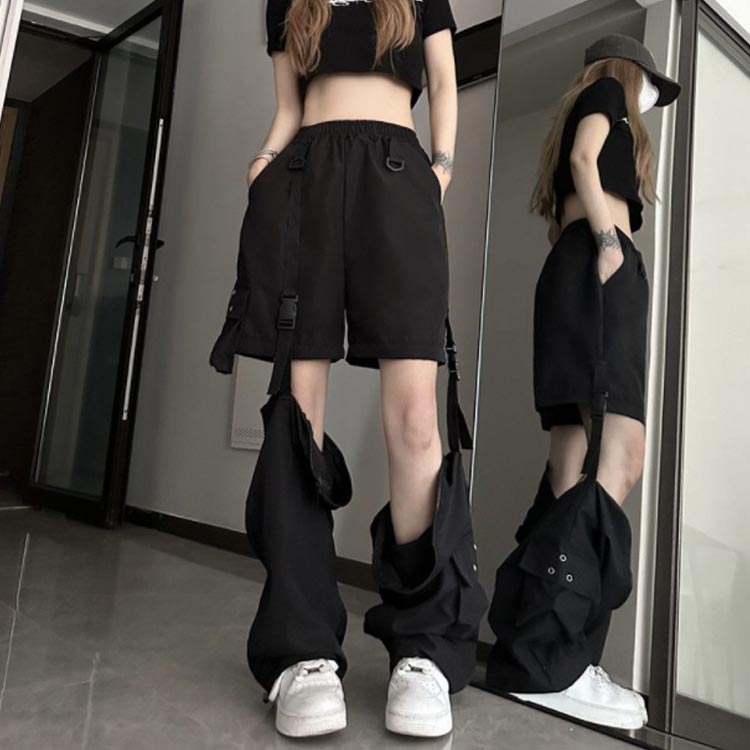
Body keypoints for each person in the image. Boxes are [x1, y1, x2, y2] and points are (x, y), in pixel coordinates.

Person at [209, 0, 487, 739]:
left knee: (417, 416)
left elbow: (444, 84)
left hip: (398, 173)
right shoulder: (286, 2)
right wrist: (263, 164)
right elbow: (288, 106)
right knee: (297, 409)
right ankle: (302, 650)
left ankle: (423, 648)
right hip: (303, 174)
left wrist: (440, 168)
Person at [485, 34, 681, 730]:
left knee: (572, 467)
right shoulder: (606, 93)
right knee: (618, 460)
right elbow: (583, 161)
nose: (651, 97)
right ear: (629, 72)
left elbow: (568, 187)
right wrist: (608, 245)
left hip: (576, 272)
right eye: (650, 83)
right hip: (599, 266)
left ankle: (537, 655)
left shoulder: (587, 111)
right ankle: (554, 663)